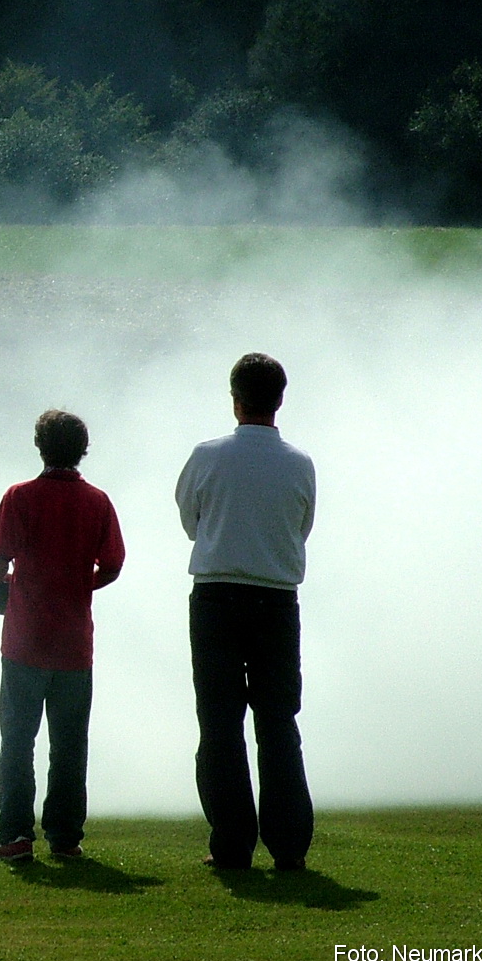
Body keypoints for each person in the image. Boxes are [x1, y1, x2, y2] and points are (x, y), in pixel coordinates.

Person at [175, 352, 316, 871]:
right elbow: (301, 527)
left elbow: (192, 521)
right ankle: (289, 844)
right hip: (277, 601)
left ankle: (231, 843)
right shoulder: (300, 463)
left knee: (219, 723)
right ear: (280, 400)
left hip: (216, 597)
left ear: (235, 399)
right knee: (278, 723)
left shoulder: (207, 455)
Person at [0, 410, 124, 862]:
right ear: (81, 449)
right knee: (69, 747)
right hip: (74, 646)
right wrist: (82, 583)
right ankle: (65, 837)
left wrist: (8, 585)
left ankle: (15, 836)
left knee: (17, 743)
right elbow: (113, 565)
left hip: (24, 642)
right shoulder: (98, 502)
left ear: (40, 447)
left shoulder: (19, 496)